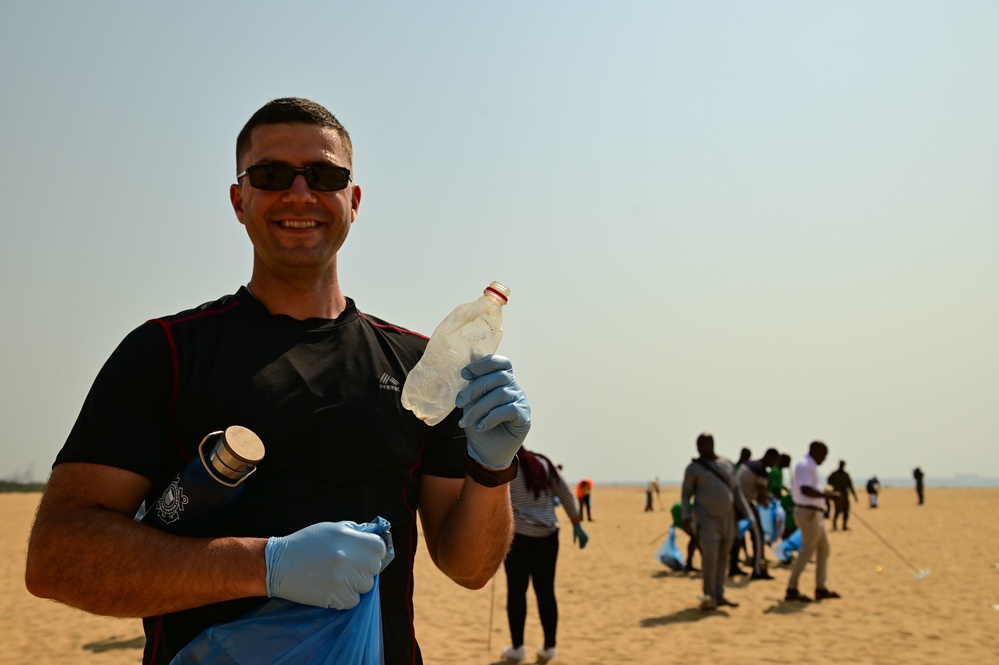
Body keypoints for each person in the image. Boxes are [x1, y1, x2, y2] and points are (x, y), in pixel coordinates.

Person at [24, 97, 533, 665]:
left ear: (353, 200)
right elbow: (57, 558)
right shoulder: (165, 352)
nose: (299, 193)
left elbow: (468, 567)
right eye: (270, 175)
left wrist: (492, 469)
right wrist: (263, 565)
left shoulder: (419, 367)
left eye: (324, 175)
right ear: (240, 200)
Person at [500, 448, 587, 664]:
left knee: (517, 592)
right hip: (547, 536)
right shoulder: (542, 463)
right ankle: (550, 647)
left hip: (517, 537)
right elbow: (565, 493)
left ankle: (518, 647)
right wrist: (577, 524)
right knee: (546, 591)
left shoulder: (504, 463)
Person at [681, 433, 743, 611]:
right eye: (698, 445)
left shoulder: (727, 464)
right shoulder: (693, 468)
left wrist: (747, 515)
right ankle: (709, 596)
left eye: (704, 444)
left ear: (711, 444)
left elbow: (736, 491)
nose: (700, 448)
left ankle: (720, 594)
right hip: (707, 519)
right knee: (710, 557)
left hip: (728, 519)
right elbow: (686, 494)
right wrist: (686, 517)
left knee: (724, 556)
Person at [784, 441, 842, 603]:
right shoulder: (804, 465)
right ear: (815, 451)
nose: (824, 459)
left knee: (824, 549)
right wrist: (829, 496)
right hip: (808, 513)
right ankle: (791, 588)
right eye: (823, 455)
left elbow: (811, 488)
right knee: (807, 551)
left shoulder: (810, 466)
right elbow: (805, 490)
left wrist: (826, 494)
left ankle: (820, 588)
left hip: (815, 513)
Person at [734, 448, 780, 579]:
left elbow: (750, 487)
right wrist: (766, 503)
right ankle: (758, 569)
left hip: (734, 502)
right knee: (757, 536)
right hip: (745, 504)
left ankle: (733, 566)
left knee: (736, 536)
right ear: (771, 458)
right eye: (775, 461)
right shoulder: (761, 470)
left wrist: (765, 496)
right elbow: (760, 495)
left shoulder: (749, 464)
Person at [826, 460, 860, 530]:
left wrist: (854, 496)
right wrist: (835, 485)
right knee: (837, 511)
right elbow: (828, 481)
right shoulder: (834, 474)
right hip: (837, 496)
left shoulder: (846, 475)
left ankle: (844, 526)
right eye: (841, 465)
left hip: (845, 495)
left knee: (846, 511)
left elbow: (850, 486)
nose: (842, 466)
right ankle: (834, 526)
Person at [671, 499, 699, 572]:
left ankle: (689, 563)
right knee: (696, 539)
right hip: (680, 513)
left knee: (696, 539)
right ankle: (689, 563)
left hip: (679, 510)